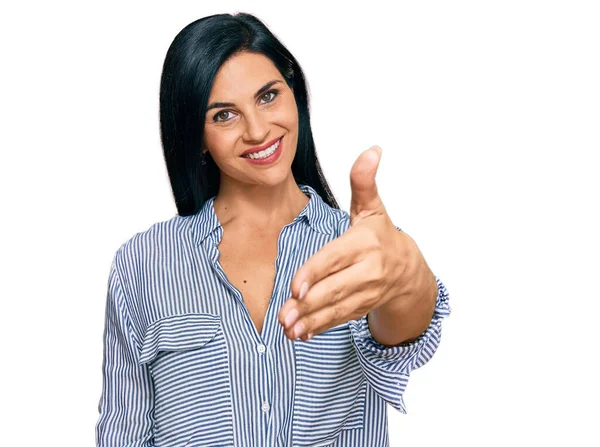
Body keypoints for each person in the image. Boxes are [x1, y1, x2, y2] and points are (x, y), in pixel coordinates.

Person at [95, 12, 452, 447]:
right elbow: (122, 431)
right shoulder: (143, 263)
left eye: (268, 96)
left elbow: (401, 338)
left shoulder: (357, 247)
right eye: (224, 115)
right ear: (197, 136)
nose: (258, 130)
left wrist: (408, 279)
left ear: (294, 93)